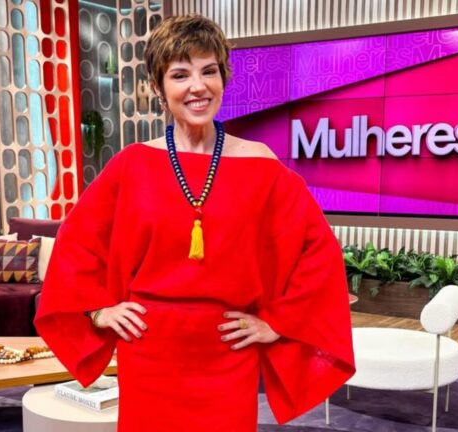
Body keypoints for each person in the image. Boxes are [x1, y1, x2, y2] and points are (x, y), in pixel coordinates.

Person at [35, 14, 355, 432]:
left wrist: (278, 322)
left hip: (228, 353)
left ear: (223, 77)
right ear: (158, 87)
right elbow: (76, 244)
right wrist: (98, 311)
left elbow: (318, 252)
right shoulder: (131, 165)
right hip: (148, 352)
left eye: (209, 71)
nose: (198, 86)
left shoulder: (262, 165)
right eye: (180, 74)